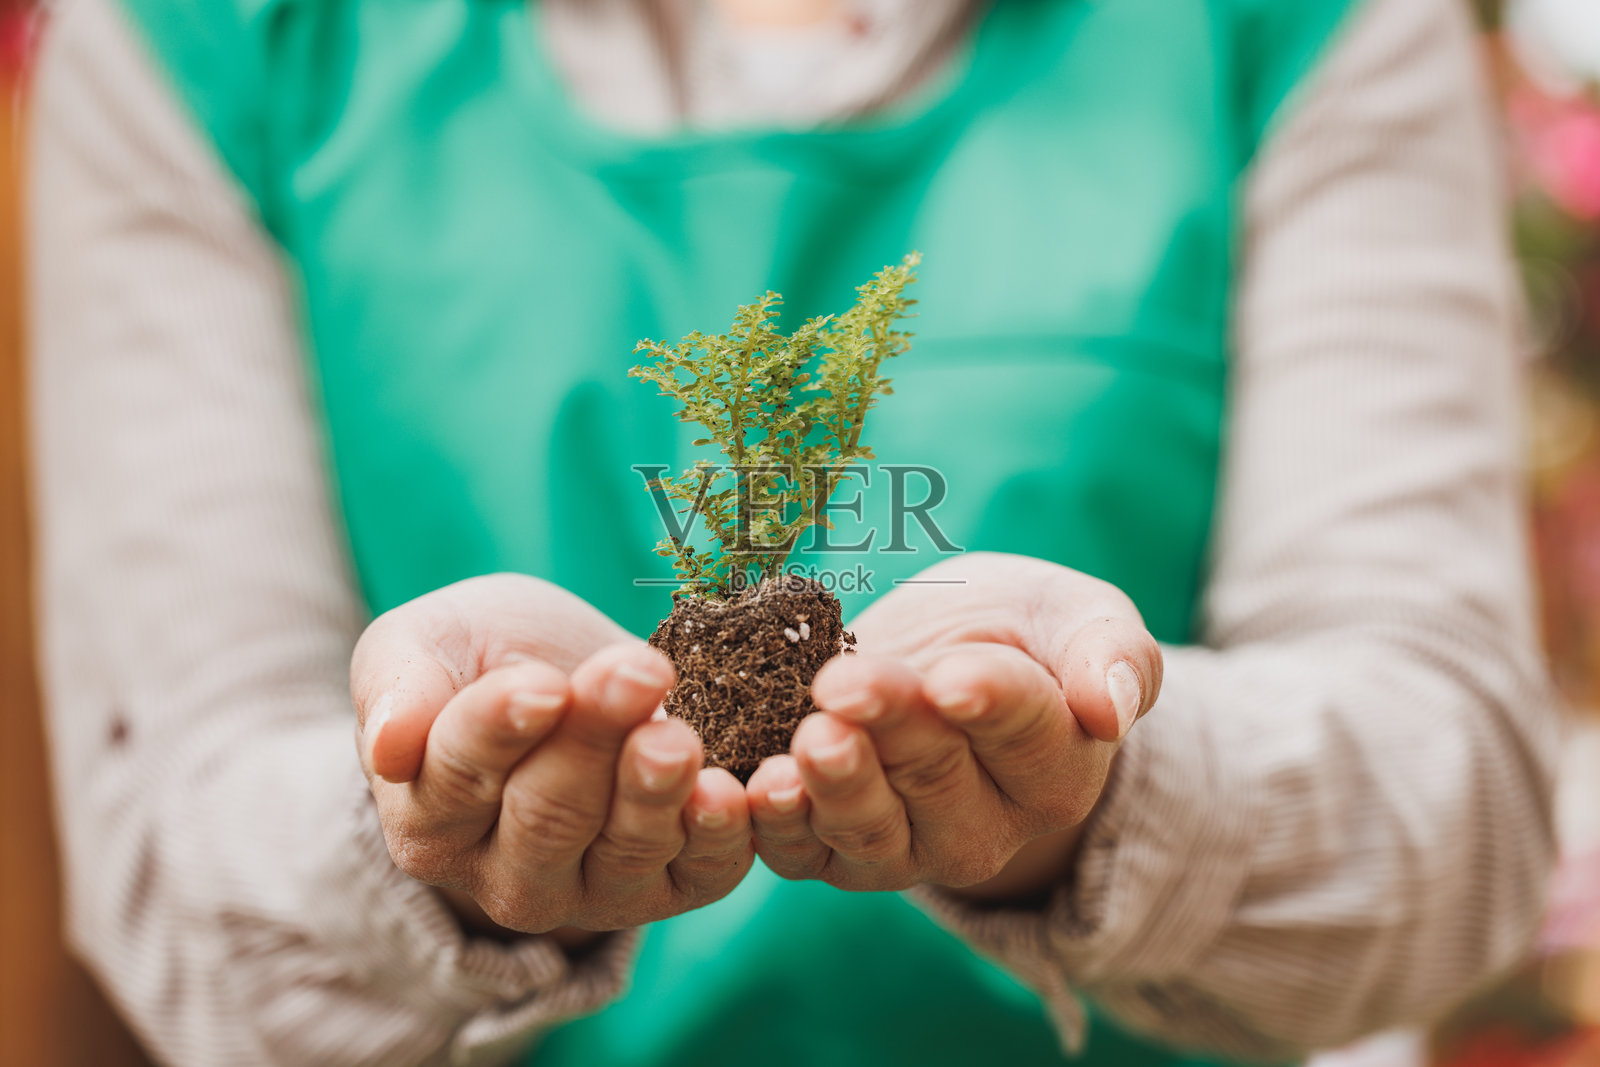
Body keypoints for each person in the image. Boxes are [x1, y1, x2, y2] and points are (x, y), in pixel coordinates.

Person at [27, 0, 1560, 1064]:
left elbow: (1459, 792)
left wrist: (1103, 789)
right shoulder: (210, 38)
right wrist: (425, 824)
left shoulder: (1293, 24)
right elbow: (177, 855)